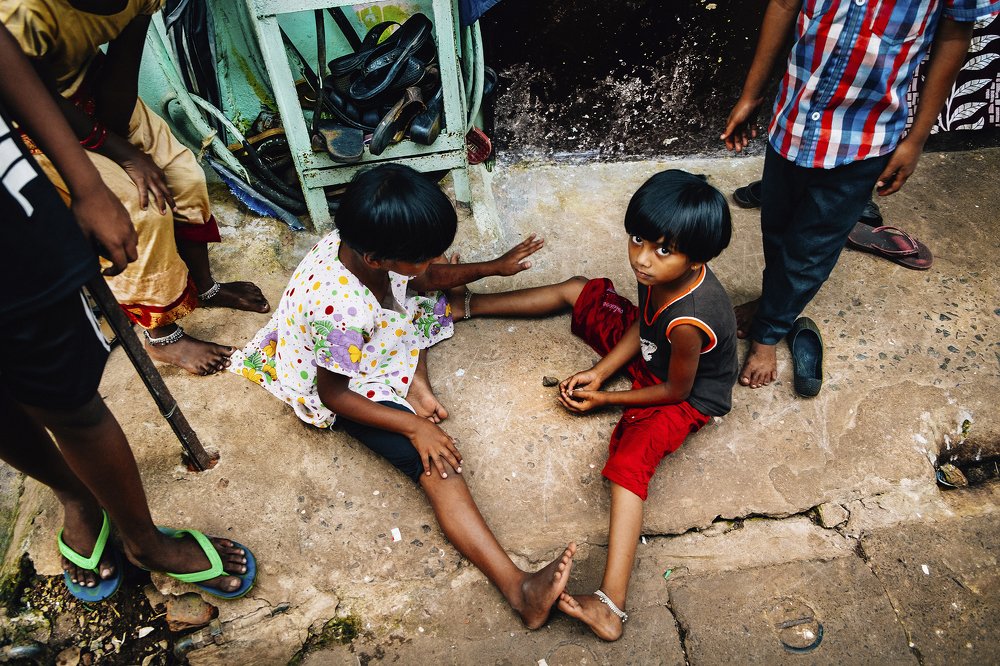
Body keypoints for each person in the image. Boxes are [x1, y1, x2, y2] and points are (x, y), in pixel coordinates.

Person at [231, 164, 575, 629]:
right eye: (424, 256)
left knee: (432, 295)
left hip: (366, 339)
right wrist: (414, 425)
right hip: (344, 384)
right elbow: (334, 394)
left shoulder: (360, 244)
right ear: (376, 258)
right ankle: (519, 589)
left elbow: (420, 280)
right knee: (439, 462)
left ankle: (414, 383)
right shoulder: (340, 311)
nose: (436, 261)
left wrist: (495, 267)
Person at [0, 22, 256, 602]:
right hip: (52, 130)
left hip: (16, 181)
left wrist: (92, 177)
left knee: (65, 391)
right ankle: (76, 497)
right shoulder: (30, 13)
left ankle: (143, 539)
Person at [440, 169, 736, 640]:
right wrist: (600, 371)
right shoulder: (657, 273)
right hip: (651, 353)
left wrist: (606, 399)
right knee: (580, 289)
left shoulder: (691, 319)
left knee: (628, 464)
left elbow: (677, 392)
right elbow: (643, 323)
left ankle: (610, 607)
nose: (642, 259)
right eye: (637, 239)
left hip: (686, 395)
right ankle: (466, 306)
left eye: (662, 249)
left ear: (696, 257)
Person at [720, 0, 998, 389]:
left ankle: (768, 333)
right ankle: (775, 302)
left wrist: (916, 138)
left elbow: (955, 35)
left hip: (866, 137)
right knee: (779, 227)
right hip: (794, 117)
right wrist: (751, 94)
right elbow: (784, 3)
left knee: (812, 246)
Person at [0, 0, 270, 376]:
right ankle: (161, 337)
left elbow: (121, 75)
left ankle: (203, 287)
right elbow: (30, 98)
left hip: (96, 92)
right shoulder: (22, 14)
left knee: (183, 177)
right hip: (37, 125)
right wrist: (121, 153)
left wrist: (116, 137)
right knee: (138, 207)